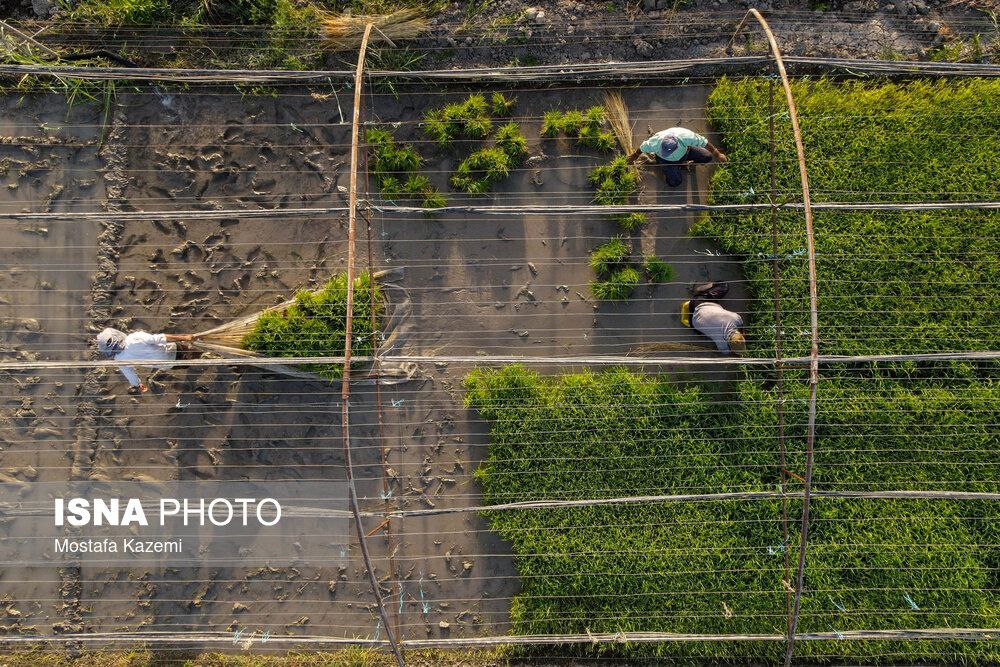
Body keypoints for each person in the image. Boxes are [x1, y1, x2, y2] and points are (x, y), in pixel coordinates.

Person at [96, 328, 194, 393]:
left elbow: (130, 374)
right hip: (173, 349)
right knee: (193, 351)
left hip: (169, 364)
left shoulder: (119, 360)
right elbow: (159, 338)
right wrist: (184, 337)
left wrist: (138, 384)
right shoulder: (134, 337)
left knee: (189, 364)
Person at [626, 127, 727, 187]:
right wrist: (634, 156)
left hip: (685, 153)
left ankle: (687, 164)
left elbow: (705, 143)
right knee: (675, 182)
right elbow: (642, 148)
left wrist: (718, 154)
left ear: (677, 145)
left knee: (707, 157)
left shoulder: (686, 136)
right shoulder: (655, 142)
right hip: (665, 161)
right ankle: (667, 170)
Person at [680, 284, 746, 355]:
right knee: (700, 329)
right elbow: (725, 352)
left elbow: (741, 324)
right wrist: (734, 354)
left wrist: (742, 331)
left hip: (698, 302)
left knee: (724, 286)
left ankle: (700, 289)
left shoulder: (735, 318)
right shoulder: (721, 341)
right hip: (694, 321)